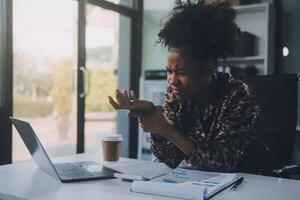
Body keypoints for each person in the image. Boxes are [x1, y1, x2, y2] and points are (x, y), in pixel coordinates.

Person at [108, 0, 268, 173]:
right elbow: (171, 158)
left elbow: (222, 162)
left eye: (181, 73)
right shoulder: (174, 94)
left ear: (208, 69)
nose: (172, 80)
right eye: (169, 71)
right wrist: (155, 126)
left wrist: (166, 129)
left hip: (249, 183)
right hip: (202, 184)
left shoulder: (238, 96)